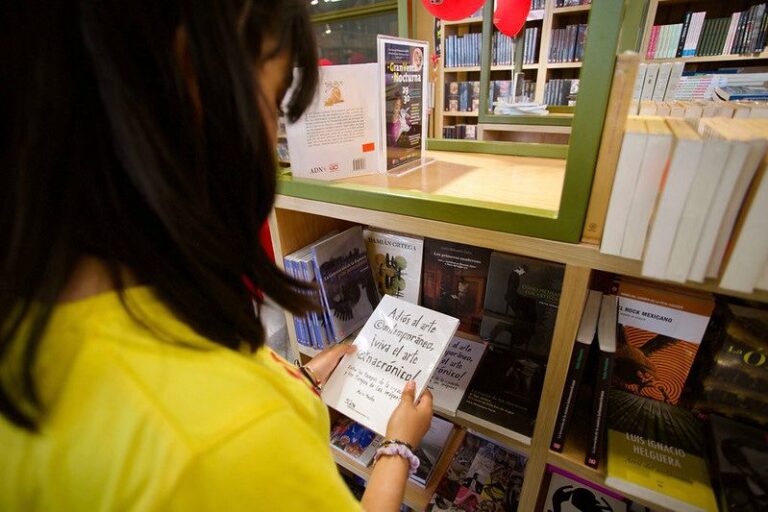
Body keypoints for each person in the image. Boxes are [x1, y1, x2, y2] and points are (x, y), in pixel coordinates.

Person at [0, 1, 433, 511]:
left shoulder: (40, 315)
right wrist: (398, 447)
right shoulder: (227, 445)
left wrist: (306, 375)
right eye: (272, 106)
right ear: (190, 82)